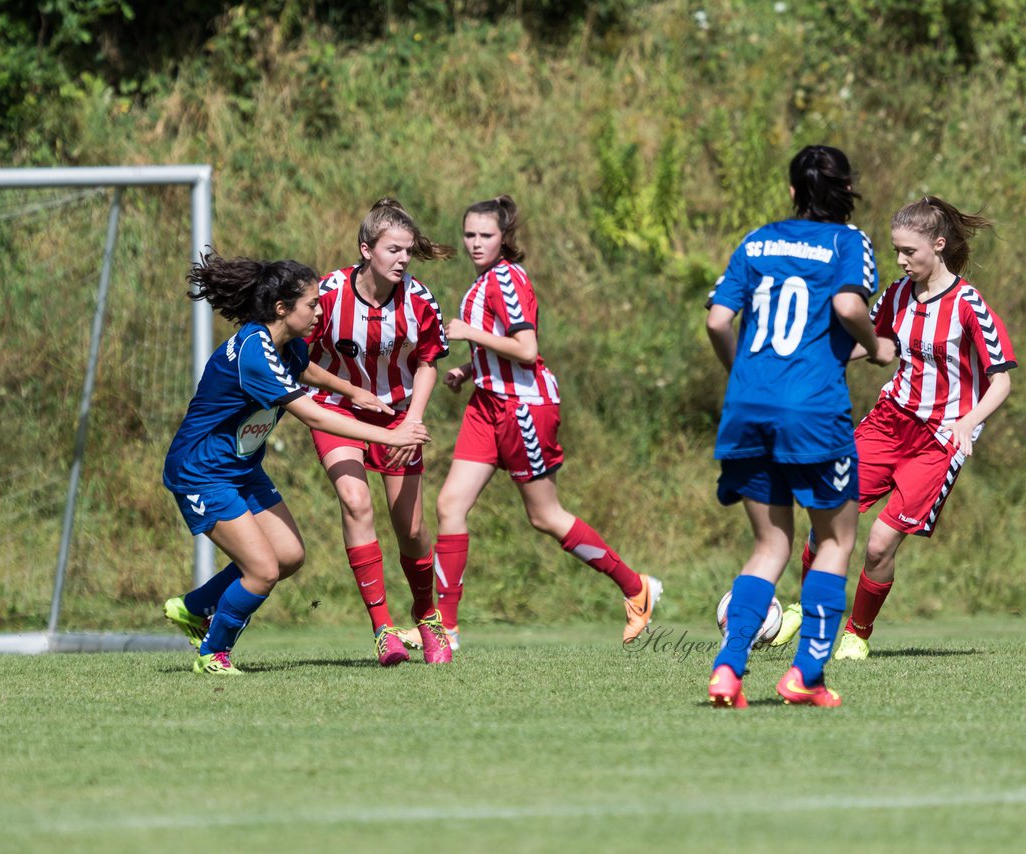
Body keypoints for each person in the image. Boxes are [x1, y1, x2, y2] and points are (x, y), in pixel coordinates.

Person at [160, 253, 431, 676]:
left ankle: (193, 608)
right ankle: (213, 653)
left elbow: (309, 372)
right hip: (202, 471)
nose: (320, 311)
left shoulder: (286, 345)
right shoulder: (255, 354)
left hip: (240, 469)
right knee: (263, 570)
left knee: (288, 556)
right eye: (312, 304)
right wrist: (392, 435)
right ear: (282, 309)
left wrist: (351, 390)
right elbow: (315, 415)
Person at [782, 196, 1016, 660]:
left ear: (939, 245)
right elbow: (874, 342)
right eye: (896, 251)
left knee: (879, 543)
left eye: (910, 251)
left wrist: (969, 421)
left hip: (940, 439)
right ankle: (808, 610)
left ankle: (857, 634)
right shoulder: (896, 294)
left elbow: (1002, 380)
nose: (901, 260)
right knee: (829, 509)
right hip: (889, 423)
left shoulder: (969, 305)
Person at [704, 144, 895, 708]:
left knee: (769, 545)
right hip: (812, 409)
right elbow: (848, 306)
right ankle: (805, 673)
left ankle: (728, 669)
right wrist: (876, 347)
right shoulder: (849, 241)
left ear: (792, 191)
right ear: (845, 192)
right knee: (836, 537)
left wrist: (743, 377)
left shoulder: (757, 240)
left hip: (748, 406)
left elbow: (717, 320)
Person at [434, 194, 660, 650]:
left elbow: (527, 350)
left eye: (486, 235)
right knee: (449, 506)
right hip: (487, 403)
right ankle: (445, 628)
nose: (476, 243)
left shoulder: (509, 279)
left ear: (505, 238)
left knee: (544, 515)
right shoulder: (481, 283)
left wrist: (468, 333)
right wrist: (469, 369)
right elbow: (500, 353)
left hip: (524, 408)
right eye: (470, 234)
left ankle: (636, 587)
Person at [306, 198, 455, 666]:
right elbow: (300, 361)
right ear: (366, 250)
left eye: (408, 250)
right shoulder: (328, 293)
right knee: (355, 501)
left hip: (396, 415)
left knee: (410, 527)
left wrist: (414, 419)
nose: (403, 259)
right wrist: (351, 390)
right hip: (337, 409)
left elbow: (429, 361)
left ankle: (427, 616)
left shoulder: (418, 299)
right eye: (394, 249)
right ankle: (382, 630)